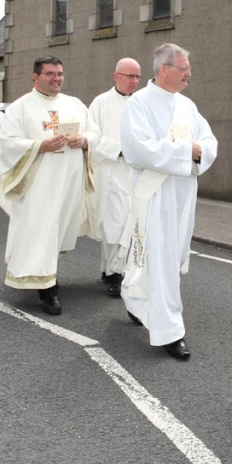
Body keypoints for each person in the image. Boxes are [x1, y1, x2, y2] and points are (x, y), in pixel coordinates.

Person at [119, 44, 217, 360]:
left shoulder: (187, 106)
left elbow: (208, 141)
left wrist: (198, 151)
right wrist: (187, 151)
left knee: (168, 257)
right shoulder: (138, 105)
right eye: (184, 68)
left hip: (182, 194)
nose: (189, 73)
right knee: (159, 260)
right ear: (165, 69)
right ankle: (169, 331)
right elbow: (139, 149)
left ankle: (134, 298)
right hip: (154, 194)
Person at [0, 55, 90, 315]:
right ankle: (48, 291)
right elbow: (8, 143)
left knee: (54, 235)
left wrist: (84, 140)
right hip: (38, 186)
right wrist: (39, 146)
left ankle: (48, 277)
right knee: (40, 232)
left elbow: (93, 133)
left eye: (60, 73)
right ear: (35, 76)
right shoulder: (20, 107)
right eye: (50, 74)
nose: (57, 78)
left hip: (67, 182)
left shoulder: (75, 104)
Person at [85, 57, 141, 297]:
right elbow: (91, 135)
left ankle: (112, 270)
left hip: (136, 174)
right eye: (130, 76)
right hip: (112, 171)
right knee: (115, 225)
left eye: (138, 77)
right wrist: (118, 150)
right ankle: (114, 274)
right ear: (116, 76)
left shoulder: (142, 103)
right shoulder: (101, 103)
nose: (134, 81)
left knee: (130, 225)